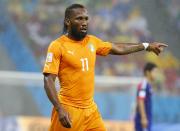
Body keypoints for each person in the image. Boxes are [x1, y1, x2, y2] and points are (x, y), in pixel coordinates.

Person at [43, 3, 167, 131]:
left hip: (91, 111)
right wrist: (59, 109)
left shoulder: (92, 41)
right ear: (68, 21)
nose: (84, 22)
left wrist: (146, 46)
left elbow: (118, 48)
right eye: (79, 18)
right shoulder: (57, 46)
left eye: (86, 18)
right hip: (69, 109)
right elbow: (48, 80)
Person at [134, 62, 158, 131]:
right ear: (148, 72)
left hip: (147, 118)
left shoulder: (148, 85)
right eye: (155, 72)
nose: (156, 74)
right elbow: (140, 100)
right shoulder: (144, 84)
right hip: (143, 119)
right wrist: (143, 118)